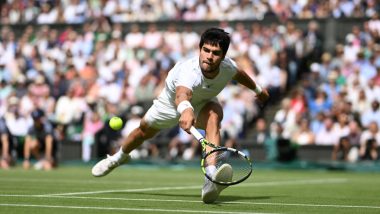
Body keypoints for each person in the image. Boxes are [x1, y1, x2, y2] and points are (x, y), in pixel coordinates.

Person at [91, 28, 269, 203]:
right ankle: (118, 158)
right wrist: (186, 110)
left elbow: (240, 75)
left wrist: (258, 90)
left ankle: (211, 175)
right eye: (205, 50)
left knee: (214, 115)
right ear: (200, 49)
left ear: (223, 57)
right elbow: (182, 95)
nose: (209, 56)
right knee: (143, 132)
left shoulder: (228, 67)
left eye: (215, 53)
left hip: (203, 103)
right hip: (169, 104)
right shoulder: (188, 71)